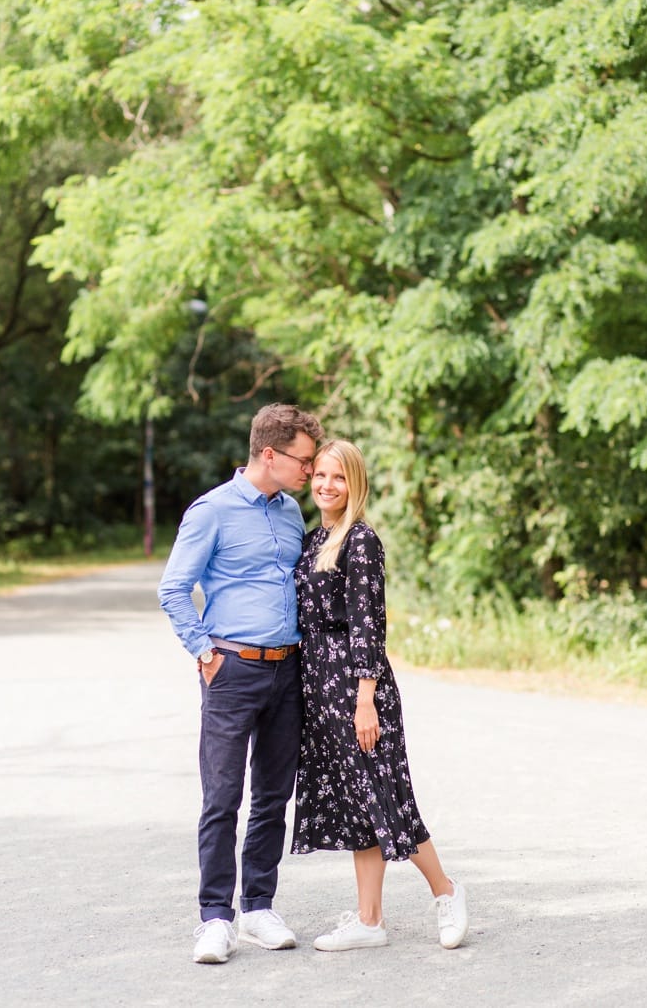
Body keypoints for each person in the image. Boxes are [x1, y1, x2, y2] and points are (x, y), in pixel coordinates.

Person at [158, 402, 323, 965]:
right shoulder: (212, 511)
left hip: (288, 669)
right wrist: (205, 654)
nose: (310, 470)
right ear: (269, 453)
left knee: (274, 796)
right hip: (232, 668)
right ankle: (214, 918)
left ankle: (257, 907)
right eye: (303, 460)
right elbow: (173, 589)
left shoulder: (290, 512)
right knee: (223, 797)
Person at [290, 438, 469, 951]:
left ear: (355, 484)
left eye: (338, 477)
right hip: (319, 687)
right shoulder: (310, 540)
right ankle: (370, 921)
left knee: (388, 797)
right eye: (320, 475)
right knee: (355, 804)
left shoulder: (360, 541)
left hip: (357, 688)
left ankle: (447, 891)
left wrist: (364, 697)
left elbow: (369, 623)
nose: (327, 485)